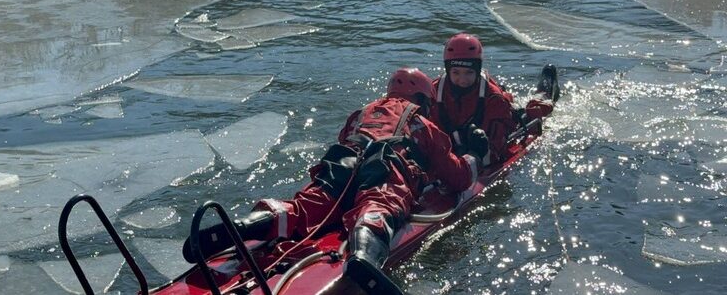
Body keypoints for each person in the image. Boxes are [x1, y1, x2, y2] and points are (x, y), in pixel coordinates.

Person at [183, 67, 483, 294]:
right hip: (386, 166)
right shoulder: (422, 121)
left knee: (309, 204)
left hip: (343, 160)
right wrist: (475, 155)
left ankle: (244, 227)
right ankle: (364, 257)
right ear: (422, 99)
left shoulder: (362, 113)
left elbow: (348, 140)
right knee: (379, 205)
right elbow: (457, 177)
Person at [431, 33, 559, 165]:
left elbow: (496, 151)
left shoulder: (495, 99)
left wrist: (479, 151)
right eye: (456, 72)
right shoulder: (432, 92)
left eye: (469, 72)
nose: (463, 80)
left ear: (477, 70)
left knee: (535, 111)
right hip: (456, 140)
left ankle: (547, 85)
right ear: (447, 70)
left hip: (490, 129)